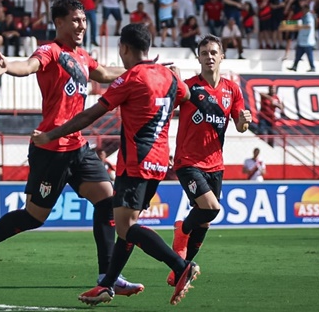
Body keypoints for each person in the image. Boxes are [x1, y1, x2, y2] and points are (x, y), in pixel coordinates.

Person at [0, 0, 142, 295]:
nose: (82, 24)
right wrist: (8, 66)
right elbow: (28, 65)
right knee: (33, 217)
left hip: (78, 146)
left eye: (83, 19)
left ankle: (107, 276)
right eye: (76, 20)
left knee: (108, 200)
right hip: (50, 148)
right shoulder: (50, 51)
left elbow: (106, 74)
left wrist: (139, 70)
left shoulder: (82, 56)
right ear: (59, 23)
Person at [31, 23, 198, 306]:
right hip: (159, 162)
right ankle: (107, 283)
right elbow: (187, 95)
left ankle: (181, 266)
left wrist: (51, 134)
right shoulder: (168, 77)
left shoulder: (131, 79)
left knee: (125, 228)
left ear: (124, 48)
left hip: (135, 162)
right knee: (125, 224)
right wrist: (176, 79)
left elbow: (89, 116)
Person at [170, 34, 252, 287]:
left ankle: (179, 272)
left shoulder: (232, 90)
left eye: (214, 52)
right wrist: (171, 82)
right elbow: (166, 105)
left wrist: (244, 119)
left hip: (216, 164)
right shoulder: (188, 87)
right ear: (198, 58)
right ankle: (181, 230)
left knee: (205, 219)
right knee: (212, 208)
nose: (209, 57)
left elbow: (240, 126)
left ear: (222, 56)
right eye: (204, 53)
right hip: (188, 162)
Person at [287, 4, 316, 72]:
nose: (302, 11)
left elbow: (309, 26)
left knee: (309, 55)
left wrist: (300, 26)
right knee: (298, 55)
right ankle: (294, 66)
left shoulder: (309, 17)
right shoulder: (303, 17)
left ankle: (312, 67)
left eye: (303, 9)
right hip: (302, 40)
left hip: (307, 40)